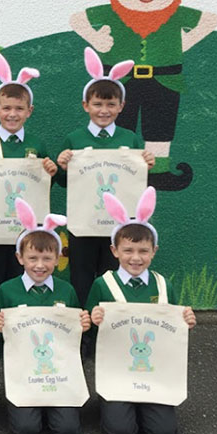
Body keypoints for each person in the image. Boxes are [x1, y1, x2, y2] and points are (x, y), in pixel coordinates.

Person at [69, 0, 217, 190]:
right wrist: (97, 39)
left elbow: (209, 20)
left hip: (166, 79)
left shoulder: (175, 14)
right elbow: (78, 19)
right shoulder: (112, 12)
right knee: (120, 123)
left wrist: (184, 42)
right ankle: (119, 169)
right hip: (120, 80)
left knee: (160, 126)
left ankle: (158, 171)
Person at [87, 187, 196, 434]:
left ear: (154, 251)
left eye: (143, 251)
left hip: (154, 372)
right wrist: (93, 321)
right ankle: (114, 406)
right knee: (121, 431)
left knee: (164, 433)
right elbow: (90, 331)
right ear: (115, 251)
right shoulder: (103, 284)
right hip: (117, 372)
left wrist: (186, 322)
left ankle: (145, 406)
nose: (135, 258)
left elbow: (172, 327)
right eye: (128, 251)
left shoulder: (162, 285)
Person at [56, 49, 155, 318]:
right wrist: (62, 166)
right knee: (82, 278)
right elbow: (64, 183)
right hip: (83, 225)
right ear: (86, 105)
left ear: (121, 107)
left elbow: (138, 180)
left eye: (111, 105)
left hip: (118, 228)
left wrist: (145, 162)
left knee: (112, 279)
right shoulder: (74, 140)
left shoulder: (131, 140)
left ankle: (109, 329)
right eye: (98, 104)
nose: (104, 110)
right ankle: (83, 331)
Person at [0, 51, 57, 359]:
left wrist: (51, 170)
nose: (12, 114)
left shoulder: (37, 144)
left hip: (27, 232)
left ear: (29, 111)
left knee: (21, 278)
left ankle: (26, 332)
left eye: (18, 108)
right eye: (6, 108)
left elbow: (48, 180)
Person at [0, 198, 91, 434]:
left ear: (57, 260)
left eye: (47, 259)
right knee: (27, 430)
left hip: (59, 370)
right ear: (20, 258)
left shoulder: (66, 290)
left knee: (67, 431)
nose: (39, 265)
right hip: (24, 372)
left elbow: (74, 330)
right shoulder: (7, 290)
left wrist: (84, 325)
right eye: (33, 258)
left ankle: (56, 406)